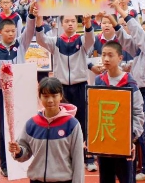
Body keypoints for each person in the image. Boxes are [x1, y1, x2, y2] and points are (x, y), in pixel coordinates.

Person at [105, 1, 145, 183]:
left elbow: (137, 33)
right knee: (138, 134)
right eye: (143, 30)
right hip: (133, 92)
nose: (144, 33)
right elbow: (124, 40)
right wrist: (112, 20)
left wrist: (120, 10)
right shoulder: (139, 51)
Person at [35, 11, 98, 172]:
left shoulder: (82, 40)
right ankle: (65, 156)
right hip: (61, 88)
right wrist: (39, 20)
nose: (70, 24)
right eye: (67, 21)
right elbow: (40, 39)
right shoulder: (55, 42)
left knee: (84, 121)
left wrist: (88, 23)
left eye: (73, 21)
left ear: (77, 24)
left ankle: (88, 156)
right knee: (62, 121)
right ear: (61, 24)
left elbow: (91, 39)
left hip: (80, 85)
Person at [0, 2, 37, 177]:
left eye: (13, 31)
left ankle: (26, 159)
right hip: (3, 94)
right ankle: (5, 163)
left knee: (26, 125)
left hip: (22, 91)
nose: (11, 34)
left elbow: (29, 30)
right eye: (7, 31)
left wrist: (30, 14)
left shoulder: (20, 45)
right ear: (0, 32)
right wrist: (0, 72)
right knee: (4, 129)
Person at [8, 77, 85, 183]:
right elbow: (24, 153)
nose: (50, 100)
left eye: (54, 96)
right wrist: (18, 151)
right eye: (45, 96)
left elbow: (78, 160)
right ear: (39, 97)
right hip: (36, 180)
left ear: (61, 96)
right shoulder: (32, 124)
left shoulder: (72, 125)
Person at [94, 40, 145, 183]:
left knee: (126, 179)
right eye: (103, 55)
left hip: (124, 143)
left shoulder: (129, 82)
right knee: (105, 178)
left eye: (110, 55)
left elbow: (138, 113)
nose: (106, 59)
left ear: (120, 58)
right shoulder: (99, 81)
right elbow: (93, 111)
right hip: (104, 141)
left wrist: (131, 136)